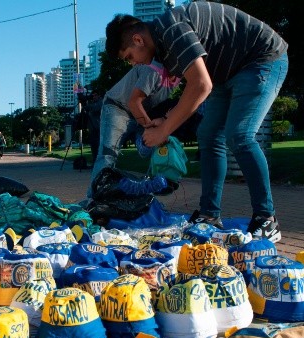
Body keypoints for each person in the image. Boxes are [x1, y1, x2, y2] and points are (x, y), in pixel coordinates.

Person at [105, 2, 288, 242]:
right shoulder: (162, 48)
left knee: (239, 135)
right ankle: (209, 215)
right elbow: (193, 87)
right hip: (226, 74)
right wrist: (165, 120)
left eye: (129, 57)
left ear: (138, 40)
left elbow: (201, 85)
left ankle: (267, 219)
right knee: (209, 136)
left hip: (260, 59)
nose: (133, 63)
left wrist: (163, 132)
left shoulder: (171, 28)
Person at [86, 62, 181, 199]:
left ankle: (147, 192)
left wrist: (163, 124)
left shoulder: (179, 77)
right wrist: (151, 130)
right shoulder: (154, 69)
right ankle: (93, 199)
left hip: (142, 113)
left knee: (150, 149)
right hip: (118, 107)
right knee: (108, 155)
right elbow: (134, 102)